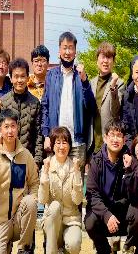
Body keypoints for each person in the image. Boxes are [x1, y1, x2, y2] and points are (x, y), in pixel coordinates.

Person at [0, 109, 39, 254]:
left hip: (19, 219)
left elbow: (34, 183)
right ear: (0, 130)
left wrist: (33, 198)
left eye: (13, 126)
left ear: (18, 128)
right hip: (0, 221)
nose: (10, 131)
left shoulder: (26, 155)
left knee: (30, 202)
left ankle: (23, 249)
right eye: (6, 127)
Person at [84, 119, 138, 254]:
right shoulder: (96, 161)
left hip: (124, 211)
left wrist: (128, 171)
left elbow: (137, 196)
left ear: (124, 140)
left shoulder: (130, 160)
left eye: (119, 136)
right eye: (112, 135)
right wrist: (106, 215)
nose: (115, 139)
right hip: (105, 211)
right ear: (105, 138)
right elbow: (92, 194)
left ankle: (129, 246)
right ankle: (105, 250)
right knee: (90, 222)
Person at [42, 31, 97, 170]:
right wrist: (46, 135)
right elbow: (45, 107)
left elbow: (91, 106)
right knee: (54, 181)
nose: (67, 52)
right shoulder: (51, 75)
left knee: (76, 182)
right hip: (55, 141)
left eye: (71, 48)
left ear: (75, 52)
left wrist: (84, 81)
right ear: (59, 51)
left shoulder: (81, 76)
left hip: (77, 142)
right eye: (64, 48)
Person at [38, 126, 83, 254]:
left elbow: (78, 200)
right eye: (58, 143)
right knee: (55, 206)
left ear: (69, 146)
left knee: (73, 245)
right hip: (52, 222)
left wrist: (77, 173)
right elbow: (42, 199)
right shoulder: (47, 166)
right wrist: (45, 173)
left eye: (65, 142)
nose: (61, 147)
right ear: (52, 146)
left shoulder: (75, 166)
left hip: (71, 220)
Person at [0, 57, 43, 168]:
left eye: (23, 76)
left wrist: (37, 161)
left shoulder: (35, 103)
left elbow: (38, 135)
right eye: (16, 76)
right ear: (11, 78)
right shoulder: (3, 102)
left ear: (27, 78)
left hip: (28, 159)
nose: (19, 80)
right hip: (6, 159)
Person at [90, 42, 125, 152]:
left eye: (109, 57)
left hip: (109, 143)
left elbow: (116, 112)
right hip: (91, 142)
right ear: (97, 60)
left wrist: (113, 87)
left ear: (113, 61)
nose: (105, 61)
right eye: (103, 57)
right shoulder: (91, 83)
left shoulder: (119, 83)